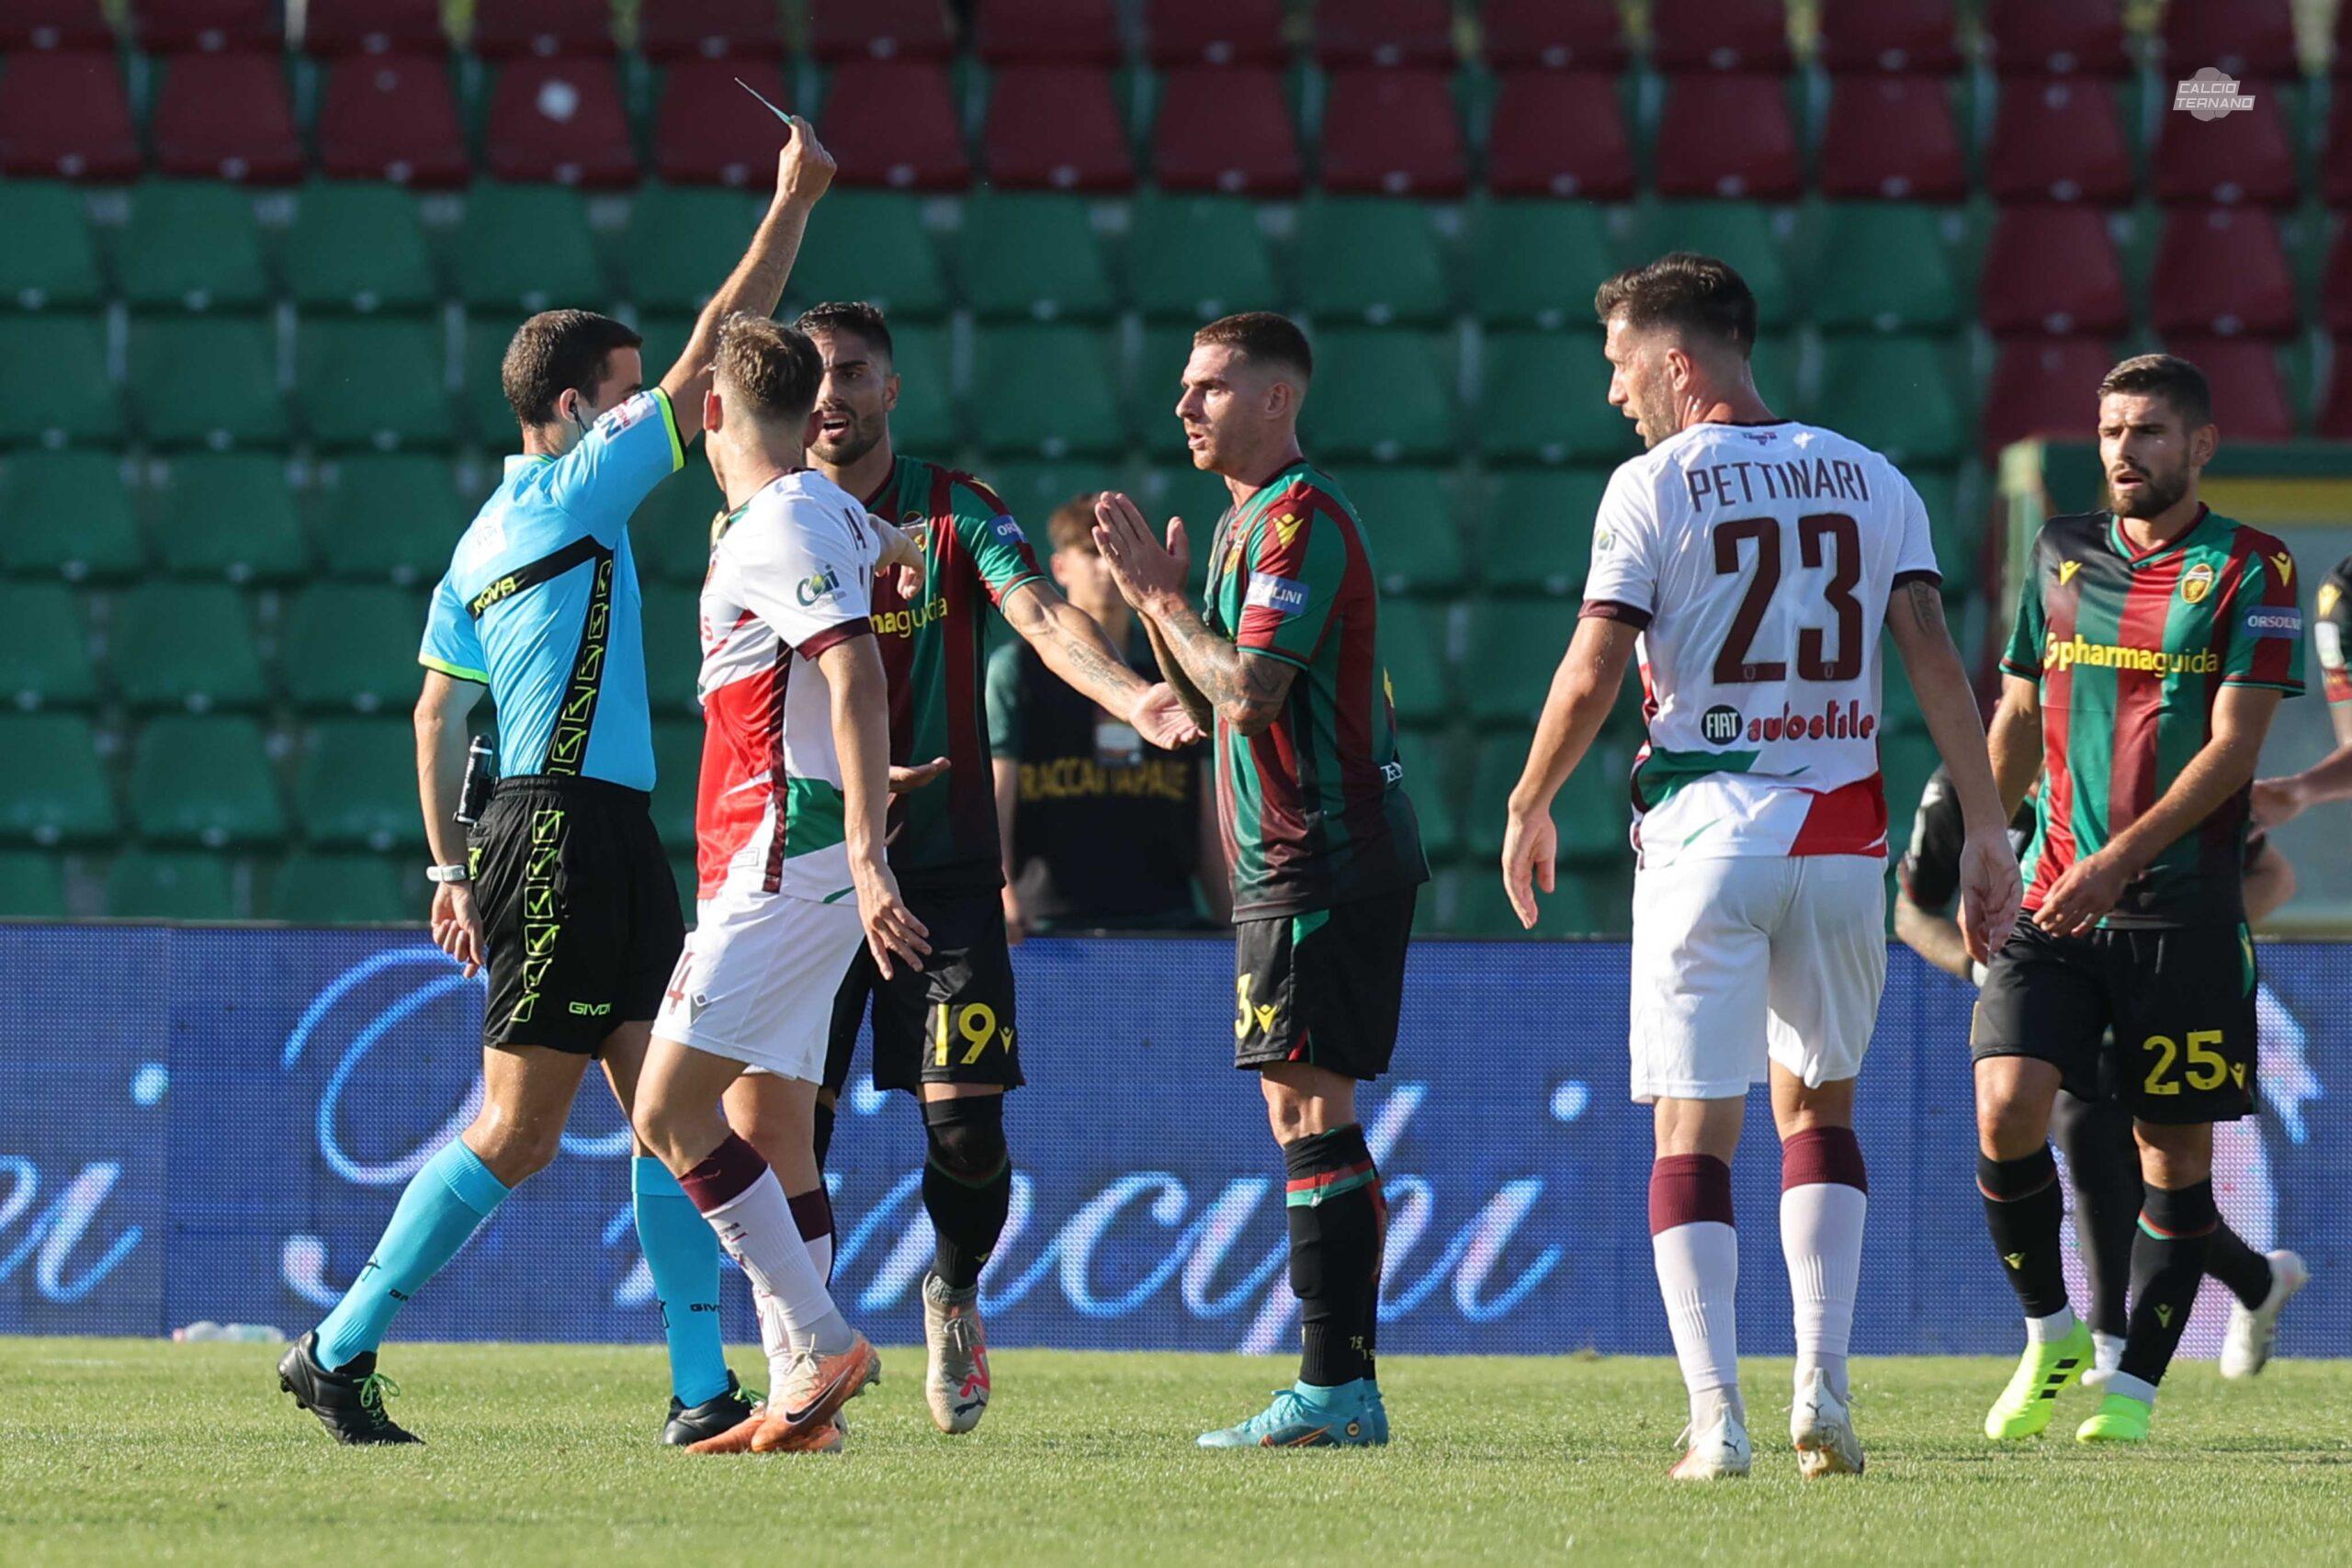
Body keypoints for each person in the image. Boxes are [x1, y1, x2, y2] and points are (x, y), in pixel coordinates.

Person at [276, 121, 838, 1447]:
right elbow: (723, 336)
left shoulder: (483, 533)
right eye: (641, 393)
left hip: (583, 830)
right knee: (521, 1130)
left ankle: (703, 1390)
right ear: (582, 408)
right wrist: (792, 201)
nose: (680, 411)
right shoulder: (574, 494)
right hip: (562, 828)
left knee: (671, 1114)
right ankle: (336, 1346)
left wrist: (447, 865)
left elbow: (432, 711)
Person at [1499, 254, 2019, 1482]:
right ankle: (1824, 1392)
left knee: (1696, 1125)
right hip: (1843, 839)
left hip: (1705, 837)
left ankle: (1718, 1415)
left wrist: (1530, 797)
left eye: (1625, 366)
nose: (1619, 394)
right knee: (1820, 1108)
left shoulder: (1652, 484)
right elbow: (1937, 654)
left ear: (1678, 360)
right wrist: (1989, 825)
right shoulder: (1873, 475)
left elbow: (1589, 671)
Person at [716, 300, 1200, 1438]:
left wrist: (1134, 695)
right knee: (794, 1132)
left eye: (852, 373)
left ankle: (953, 1291)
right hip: (816, 873)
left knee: (965, 1134)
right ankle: (805, 1361)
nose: (830, 394)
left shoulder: (954, 513)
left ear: (892, 389)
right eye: (815, 376)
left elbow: (1037, 617)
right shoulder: (769, 520)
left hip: (941, 877)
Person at [1091, 310, 1429, 1450]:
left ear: (1277, 399)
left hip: (1325, 853)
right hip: (1284, 860)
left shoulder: (1299, 523)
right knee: (1296, 1106)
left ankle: (1337, 1388)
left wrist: (1156, 605)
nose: (1185, 406)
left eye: (1211, 387)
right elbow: (1203, 711)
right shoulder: (1241, 528)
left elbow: (1249, 695)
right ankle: (1338, 1384)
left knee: (1310, 1106)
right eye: (1187, 388)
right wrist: (1165, 624)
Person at [1973, 353, 2303, 1446]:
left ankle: (2135, 1388)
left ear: (2200, 446)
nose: (2123, 451)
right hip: (2052, 899)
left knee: (2172, 1163)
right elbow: (2020, 711)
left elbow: (2234, 752)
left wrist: (2116, 861)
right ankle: (2050, 1334)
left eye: (2149, 432)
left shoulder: (2257, 569)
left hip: (2177, 910)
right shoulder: (2059, 553)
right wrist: (1987, 837)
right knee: (2006, 1106)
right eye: (2112, 430)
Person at [629, 314, 928, 1456]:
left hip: (781, 858)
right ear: (812, 417)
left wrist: (863, 838)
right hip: (787, 851)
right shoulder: (828, 512)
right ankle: (805, 1401)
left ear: (712, 411)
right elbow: (899, 555)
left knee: (667, 1111)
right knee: (769, 1123)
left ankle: (820, 1339)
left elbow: (851, 672)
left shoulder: (780, 521)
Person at [1895, 767, 2308, 1385]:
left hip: (2156, 966)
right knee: (2084, 1130)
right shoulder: (1963, 784)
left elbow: (2274, 874)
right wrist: (1982, 969)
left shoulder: (2138, 774)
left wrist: (2199, 929)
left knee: (2156, 1169)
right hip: (2048, 980)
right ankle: (2111, 1332)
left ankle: (2246, 1281)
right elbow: (1912, 910)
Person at [988, 494, 1228, 939]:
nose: (1106, 569)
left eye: (1115, 555)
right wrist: (1002, 899)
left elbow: (1202, 802)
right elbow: (998, 797)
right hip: (1051, 924)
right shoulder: (1018, 671)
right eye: (1092, 553)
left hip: (1167, 920)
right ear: (1059, 568)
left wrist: (1226, 913)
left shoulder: (1175, 664)